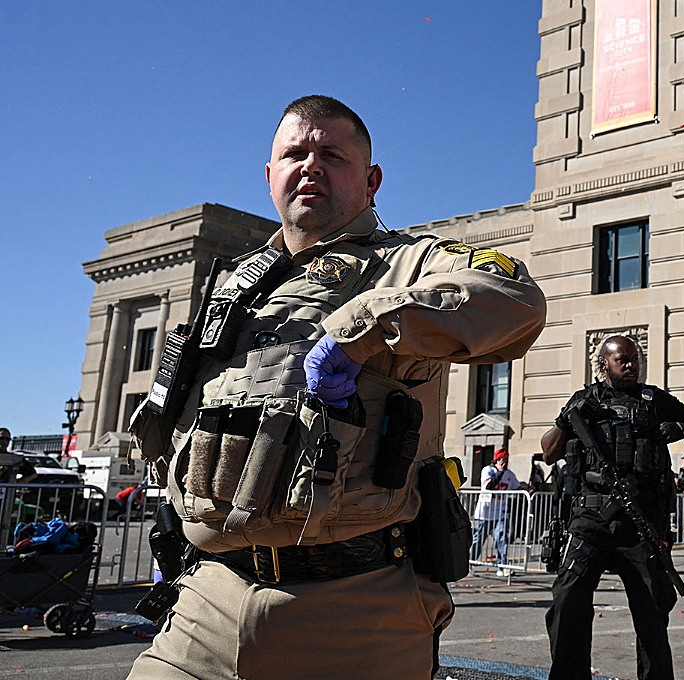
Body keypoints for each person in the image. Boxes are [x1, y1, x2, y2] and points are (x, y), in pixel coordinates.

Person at [126, 95, 547, 680]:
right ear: (270, 175)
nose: (311, 165)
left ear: (371, 181)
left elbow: (516, 302)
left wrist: (361, 331)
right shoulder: (233, 285)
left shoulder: (411, 262)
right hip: (206, 601)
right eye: (295, 153)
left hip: (355, 611)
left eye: (333, 155)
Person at [541, 334, 684, 680]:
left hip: (639, 523)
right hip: (590, 520)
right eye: (625, 360)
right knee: (567, 600)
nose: (633, 365)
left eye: (636, 359)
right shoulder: (585, 400)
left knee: (652, 612)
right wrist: (566, 420)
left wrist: (676, 428)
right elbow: (548, 453)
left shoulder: (653, 399)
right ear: (605, 364)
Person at [471, 448, 520, 575]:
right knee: (478, 540)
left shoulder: (509, 475)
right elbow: (489, 486)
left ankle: (502, 567)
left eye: (507, 460)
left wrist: (528, 489)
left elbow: (517, 488)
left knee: (502, 538)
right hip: (485, 512)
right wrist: (499, 473)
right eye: (503, 460)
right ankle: (469, 562)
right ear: (497, 460)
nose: (505, 463)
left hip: (500, 512)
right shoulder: (487, 470)